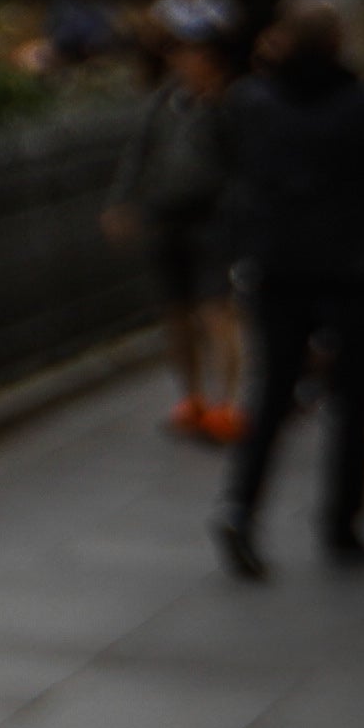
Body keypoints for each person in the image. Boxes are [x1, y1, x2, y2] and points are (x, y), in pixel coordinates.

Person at [217, 0, 364, 579]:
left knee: (272, 391)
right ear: (337, 41)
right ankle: (342, 523)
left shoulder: (251, 102)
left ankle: (241, 509)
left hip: (277, 263)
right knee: (353, 399)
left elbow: (231, 166)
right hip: (349, 263)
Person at [110, 22, 241, 445]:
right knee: (176, 311)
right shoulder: (164, 102)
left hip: (212, 218)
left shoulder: (228, 106)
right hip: (166, 217)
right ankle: (192, 396)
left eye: (192, 54)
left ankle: (227, 402)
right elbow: (139, 152)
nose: (182, 63)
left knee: (215, 308)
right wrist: (123, 200)